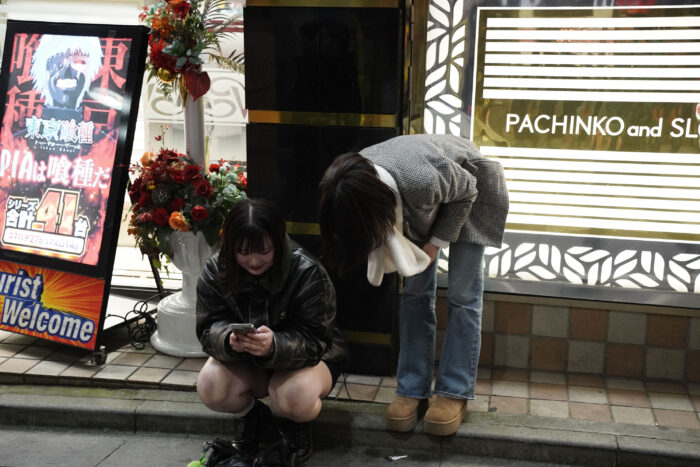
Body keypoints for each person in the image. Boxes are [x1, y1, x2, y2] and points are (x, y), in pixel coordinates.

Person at [318, 134, 508, 437]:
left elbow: (467, 191)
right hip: (413, 200)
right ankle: (412, 389)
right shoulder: (348, 183)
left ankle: (454, 392)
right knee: (414, 295)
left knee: (463, 296)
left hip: (469, 186)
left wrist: (434, 245)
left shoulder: (421, 181)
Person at [196, 198, 348, 465]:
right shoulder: (215, 268)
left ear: (278, 241)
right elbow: (207, 329)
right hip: (248, 361)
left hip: (308, 360)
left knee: (294, 397)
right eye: (243, 252)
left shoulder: (306, 269)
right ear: (230, 246)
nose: (254, 261)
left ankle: (297, 426)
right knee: (210, 385)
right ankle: (254, 417)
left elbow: (317, 341)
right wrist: (229, 341)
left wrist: (275, 344)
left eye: (264, 251)